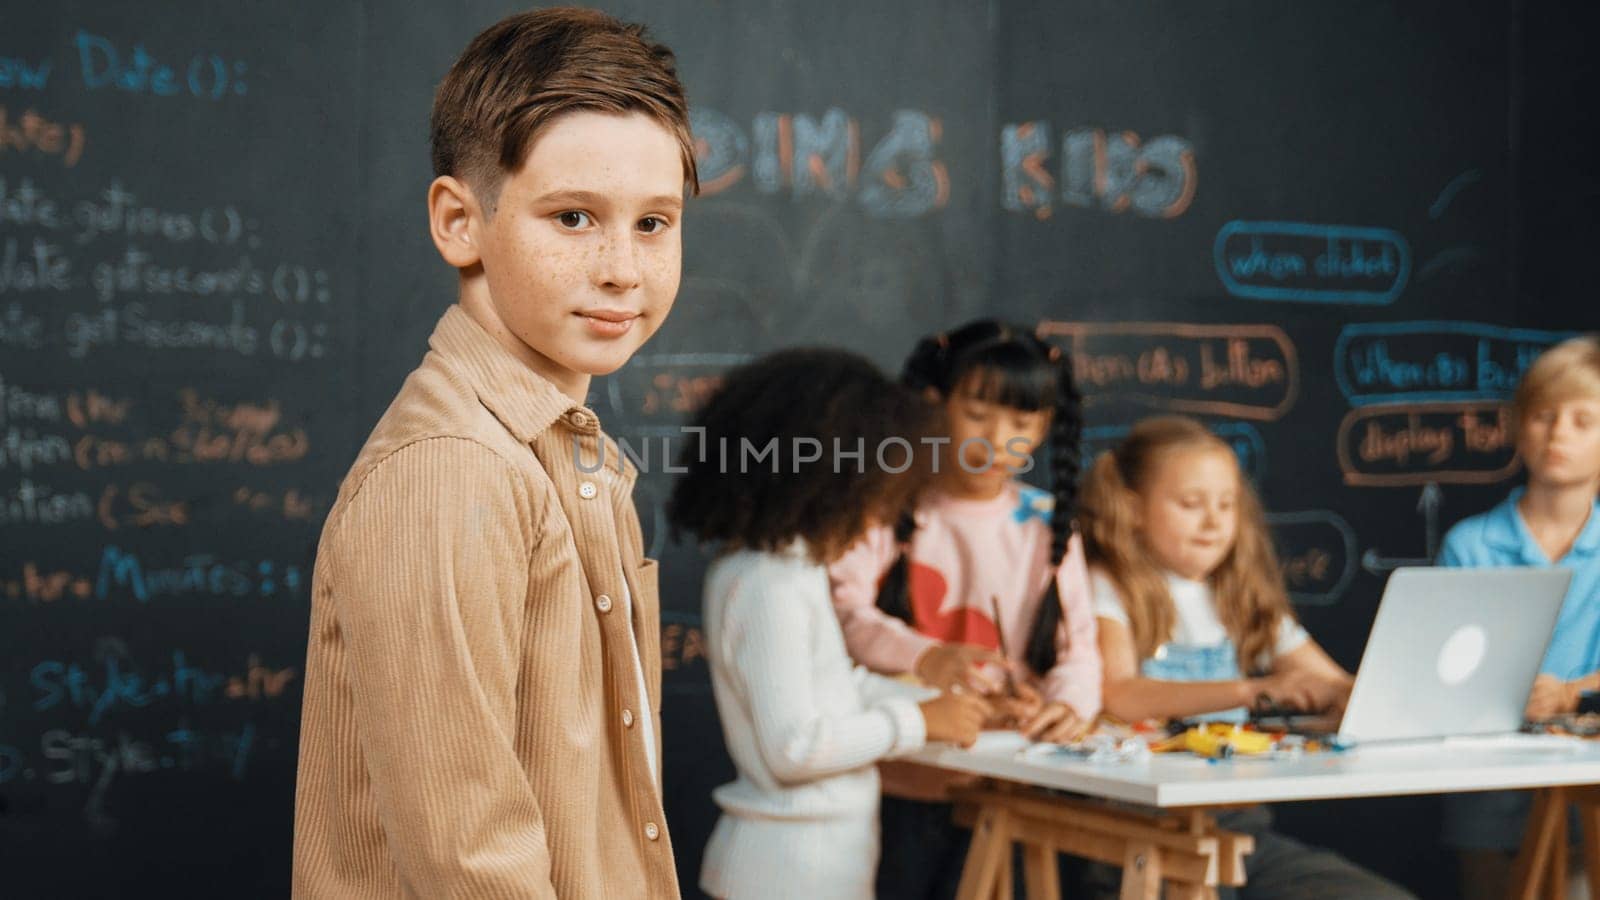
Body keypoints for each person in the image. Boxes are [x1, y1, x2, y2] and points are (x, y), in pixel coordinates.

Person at [291, 9, 697, 897]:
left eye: (654, 223)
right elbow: (472, 862)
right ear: (458, 222)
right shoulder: (449, 471)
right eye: (575, 216)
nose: (623, 268)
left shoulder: (570, 456)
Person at [669, 348, 991, 900]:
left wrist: (945, 701)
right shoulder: (770, 585)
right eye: (878, 493)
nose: (884, 515)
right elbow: (794, 748)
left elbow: (835, 683)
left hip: (809, 864)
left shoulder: (790, 569)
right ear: (828, 484)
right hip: (787, 874)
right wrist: (915, 722)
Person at [1080, 415, 1412, 899]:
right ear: (1131, 509)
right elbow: (1121, 694)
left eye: (1227, 504)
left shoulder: (1240, 595)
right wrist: (1251, 690)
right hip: (1142, 836)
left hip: (1238, 830)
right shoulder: (1107, 586)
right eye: (1190, 504)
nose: (1213, 522)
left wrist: (1369, 697)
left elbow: (1334, 682)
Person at [828, 319, 1101, 899]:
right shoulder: (887, 508)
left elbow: (1080, 649)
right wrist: (928, 658)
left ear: (1045, 427)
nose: (998, 438)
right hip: (904, 780)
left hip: (1016, 780)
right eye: (978, 415)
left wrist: (1065, 706)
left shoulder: (1046, 523)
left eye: (1022, 423)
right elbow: (843, 611)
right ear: (935, 406)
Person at [1438, 335, 1600, 900]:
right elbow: (1439, 669)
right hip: (1489, 784)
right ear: (1517, 426)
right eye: (1543, 416)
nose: (1559, 435)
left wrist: (1571, 693)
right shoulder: (1471, 544)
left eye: (1583, 421)